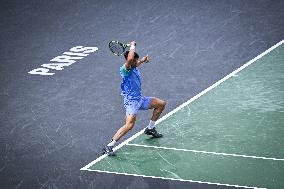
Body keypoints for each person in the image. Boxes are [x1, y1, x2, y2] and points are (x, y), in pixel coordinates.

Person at [102, 41, 166, 156]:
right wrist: (132, 46)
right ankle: (109, 146)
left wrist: (142, 60)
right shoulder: (125, 69)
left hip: (139, 99)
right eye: (135, 60)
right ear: (129, 61)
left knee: (161, 104)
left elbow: (135, 62)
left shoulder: (134, 65)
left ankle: (150, 128)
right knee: (129, 125)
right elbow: (131, 59)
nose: (136, 62)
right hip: (131, 102)